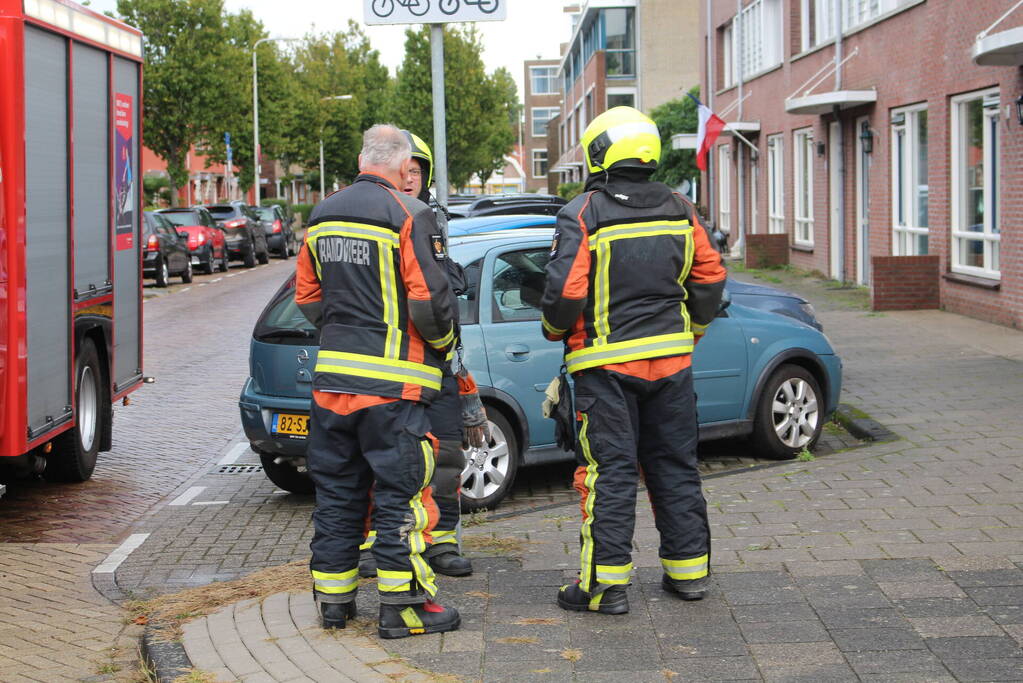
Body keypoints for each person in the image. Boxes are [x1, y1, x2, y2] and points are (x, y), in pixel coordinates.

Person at [540, 106, 727, 614]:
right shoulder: (680, 208)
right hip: (671, 364)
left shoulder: (585, 211)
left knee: (611, 473)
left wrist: (555, 331)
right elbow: (710, 280)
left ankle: (605, 588)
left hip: (605, 368)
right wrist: (694, 330)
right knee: (675, 467)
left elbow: (563, 292)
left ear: (600, 153)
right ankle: (689, 575)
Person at [295, 123, 461, 639]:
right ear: (401, 164)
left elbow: (306, 297)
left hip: (333, 385)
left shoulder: (322, 214)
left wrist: (343, 333)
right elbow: (430, 302)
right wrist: (443, 349)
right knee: (400, 496)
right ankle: (404, 607)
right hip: (394, 389)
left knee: (339, 495)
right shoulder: (411, 215)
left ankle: (334, 601)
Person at [357, 130, 487, 579]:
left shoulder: (434, 220)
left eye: (417, 171)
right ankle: (385, 543)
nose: (409, 178)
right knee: (391, 462)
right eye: (404, 170)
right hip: (397, 365)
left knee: (446, 457)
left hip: (441, 364)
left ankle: (442, 541)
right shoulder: (379, 218)